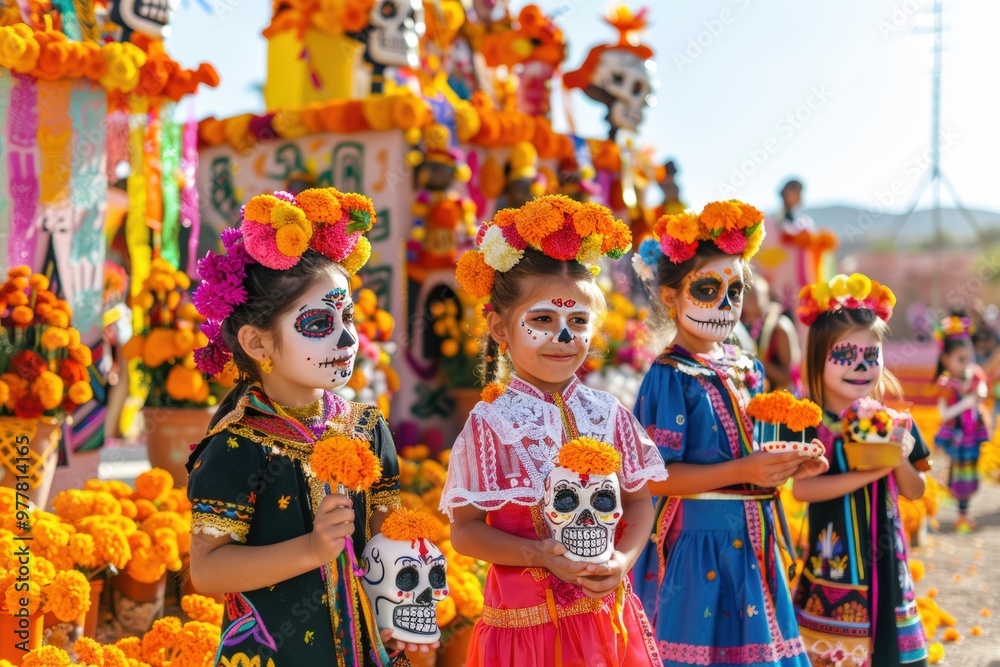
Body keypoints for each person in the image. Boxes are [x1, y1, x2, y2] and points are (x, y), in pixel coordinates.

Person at [186, 188, 416, 666]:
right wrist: (310, 549)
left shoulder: (366, 426)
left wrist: (403, 603)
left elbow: (380, 536)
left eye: (347, 316)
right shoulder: (237, 444)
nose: (348, 337)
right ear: (257, 342)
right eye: (318, 323)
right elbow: (207, 570)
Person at [440, 196, 667, 666]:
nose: (563, 338)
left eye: (578, 322)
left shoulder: (608, 412)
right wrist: (539, 554)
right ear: (500, 328)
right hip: (526, 631)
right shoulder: (491, 424)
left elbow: (641, 502)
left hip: (606, 622)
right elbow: (464, 532)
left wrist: (622, 561)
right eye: (542, 319)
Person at [632, 201, 825, 666]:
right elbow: (653, 478)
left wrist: (792, 462)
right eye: (707, 288)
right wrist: (747, 470)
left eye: (735, 290)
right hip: (700, 551)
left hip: (755, 548)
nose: (726, 304)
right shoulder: (670, 375)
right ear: (670, 298)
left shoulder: (747, 367)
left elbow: (755, 450)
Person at [790, 273, 929, 666]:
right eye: (845, 355)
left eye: (872, 355)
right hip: (833, 571)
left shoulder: (896, 422)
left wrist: (898, 456)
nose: (861, 366)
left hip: (889, 566)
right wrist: (869, 473)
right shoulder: (809, 426)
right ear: (818, 357)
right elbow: (803, 491)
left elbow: (915, 490)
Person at [933, 315, 989, 533]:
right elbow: (943, 412)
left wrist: (977, 392)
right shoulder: (946, 384)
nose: (966, 363)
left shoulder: (974, 377)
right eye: (961, 359)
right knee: (956, 472)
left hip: (972, 434)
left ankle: (962, 513)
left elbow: (982, 392)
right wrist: (966, 402)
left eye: (969, 357)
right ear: (946, 359)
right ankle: (958, 509)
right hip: (955, 434)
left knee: (968, 473)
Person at [742, 274, 802, 395]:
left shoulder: (780, 327)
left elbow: (789, 377)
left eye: (751, 296)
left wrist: (756, 361)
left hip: (784, 400)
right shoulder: (749, 324)